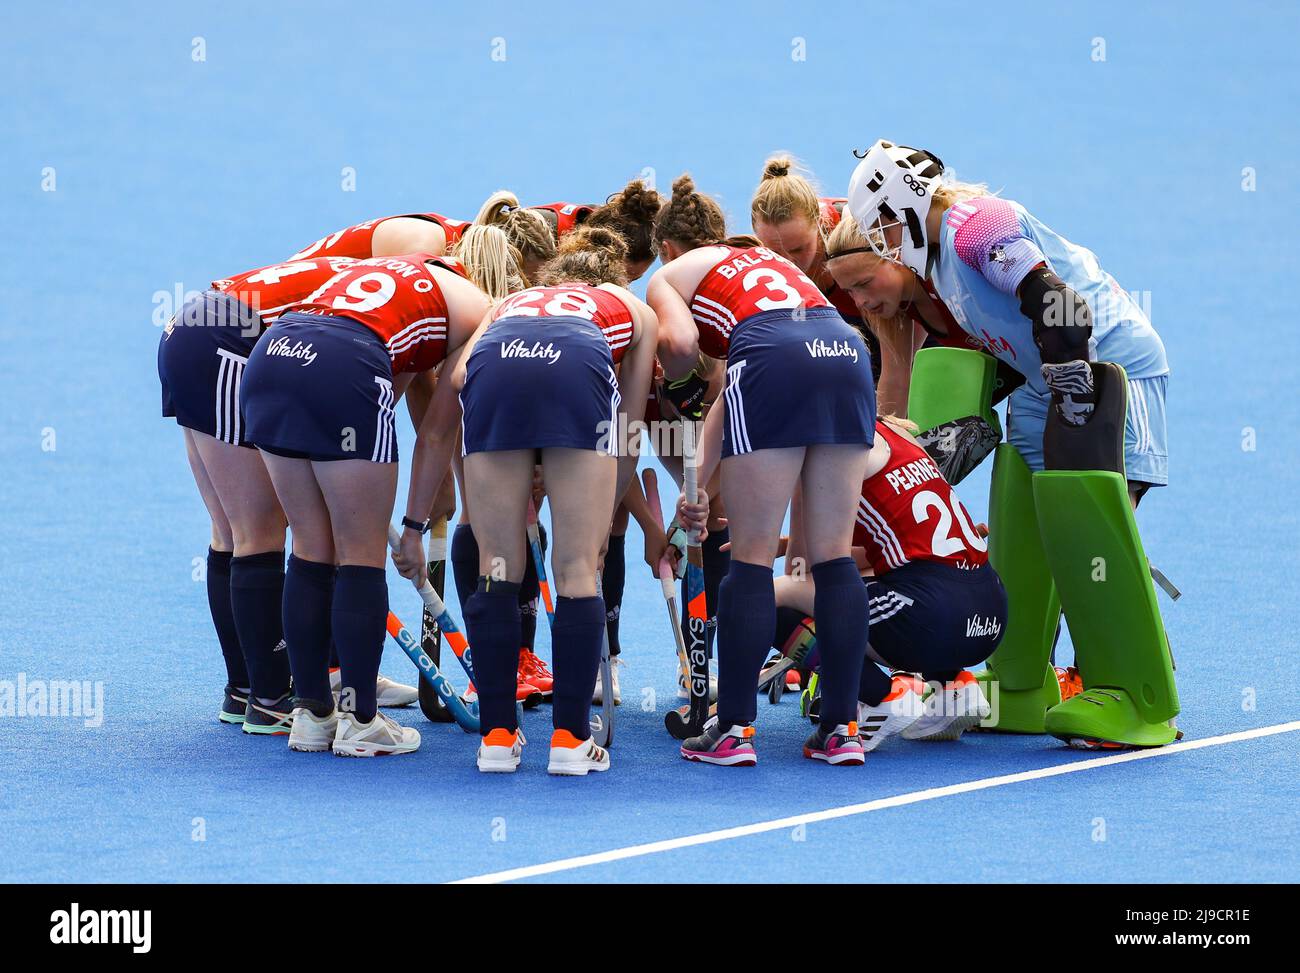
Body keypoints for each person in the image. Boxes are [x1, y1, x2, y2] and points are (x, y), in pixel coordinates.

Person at [827, 139, 1177, 748]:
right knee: (1022, 529)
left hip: (1107, 371)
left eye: (880, 222)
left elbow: (1059, 307)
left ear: (899, 205)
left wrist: (1075, 395)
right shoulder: (938, 264)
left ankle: (1133, 693)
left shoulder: (974, 225)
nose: (881, 238)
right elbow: (1010, 341)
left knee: (1089, 533)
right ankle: (1020, 686)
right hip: (1049, 380)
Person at [394, 227, 657, 775]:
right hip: (581, 362)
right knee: (578, 572)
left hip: (496, 364)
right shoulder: (633, 307)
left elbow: (450, 402)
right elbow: (627, 429)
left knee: (497, 568)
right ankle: (568, 739)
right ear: (609, 278)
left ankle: (495, 737)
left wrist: (415, 523)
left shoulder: (505, 303)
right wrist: (603, 517)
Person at [239, 239, 515, 757]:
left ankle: (312, 715)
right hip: (342, 364)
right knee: (361, 553)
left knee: (310, 546)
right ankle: (361, 719)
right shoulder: (484, 311)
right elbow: (436, 434)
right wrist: (412, 528)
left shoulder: (407, 277)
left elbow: (397, 379)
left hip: (272, 356)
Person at [648, 174, 876, 767]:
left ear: (668, 249)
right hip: (845, 351)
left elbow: (679, 346)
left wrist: (669, 381)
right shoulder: (772, 271)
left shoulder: (670, 275)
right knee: (831, 555)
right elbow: (732, 397)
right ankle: (842, 729)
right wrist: (699, 485)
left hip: (771, 356)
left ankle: (735, 731)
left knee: (748, 556)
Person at [158, 255, 363, 732]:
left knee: (230, 529)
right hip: (226, 344)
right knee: (260, 529)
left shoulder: (398, 254)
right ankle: (270, 695)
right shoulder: (432, 272)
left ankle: (247, 690)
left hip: (195, 329)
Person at [772, 416, 1008, 749]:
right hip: (989, 615)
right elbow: (878, 554)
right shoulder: (896, 433)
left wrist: (761, 557)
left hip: (931, 620)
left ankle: (881, 696)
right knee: (891, 577)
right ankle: (954, 686)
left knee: (774, 601)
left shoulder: (828, 445)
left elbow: (804, 569)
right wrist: (783, 543)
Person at [749, 155, 882, 381]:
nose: (788, 263)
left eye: (799, 249)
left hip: (900, 325)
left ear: (820, 223)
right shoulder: (753, 260)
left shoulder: (857, 238)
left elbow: (897, 360)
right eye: (775, 253)